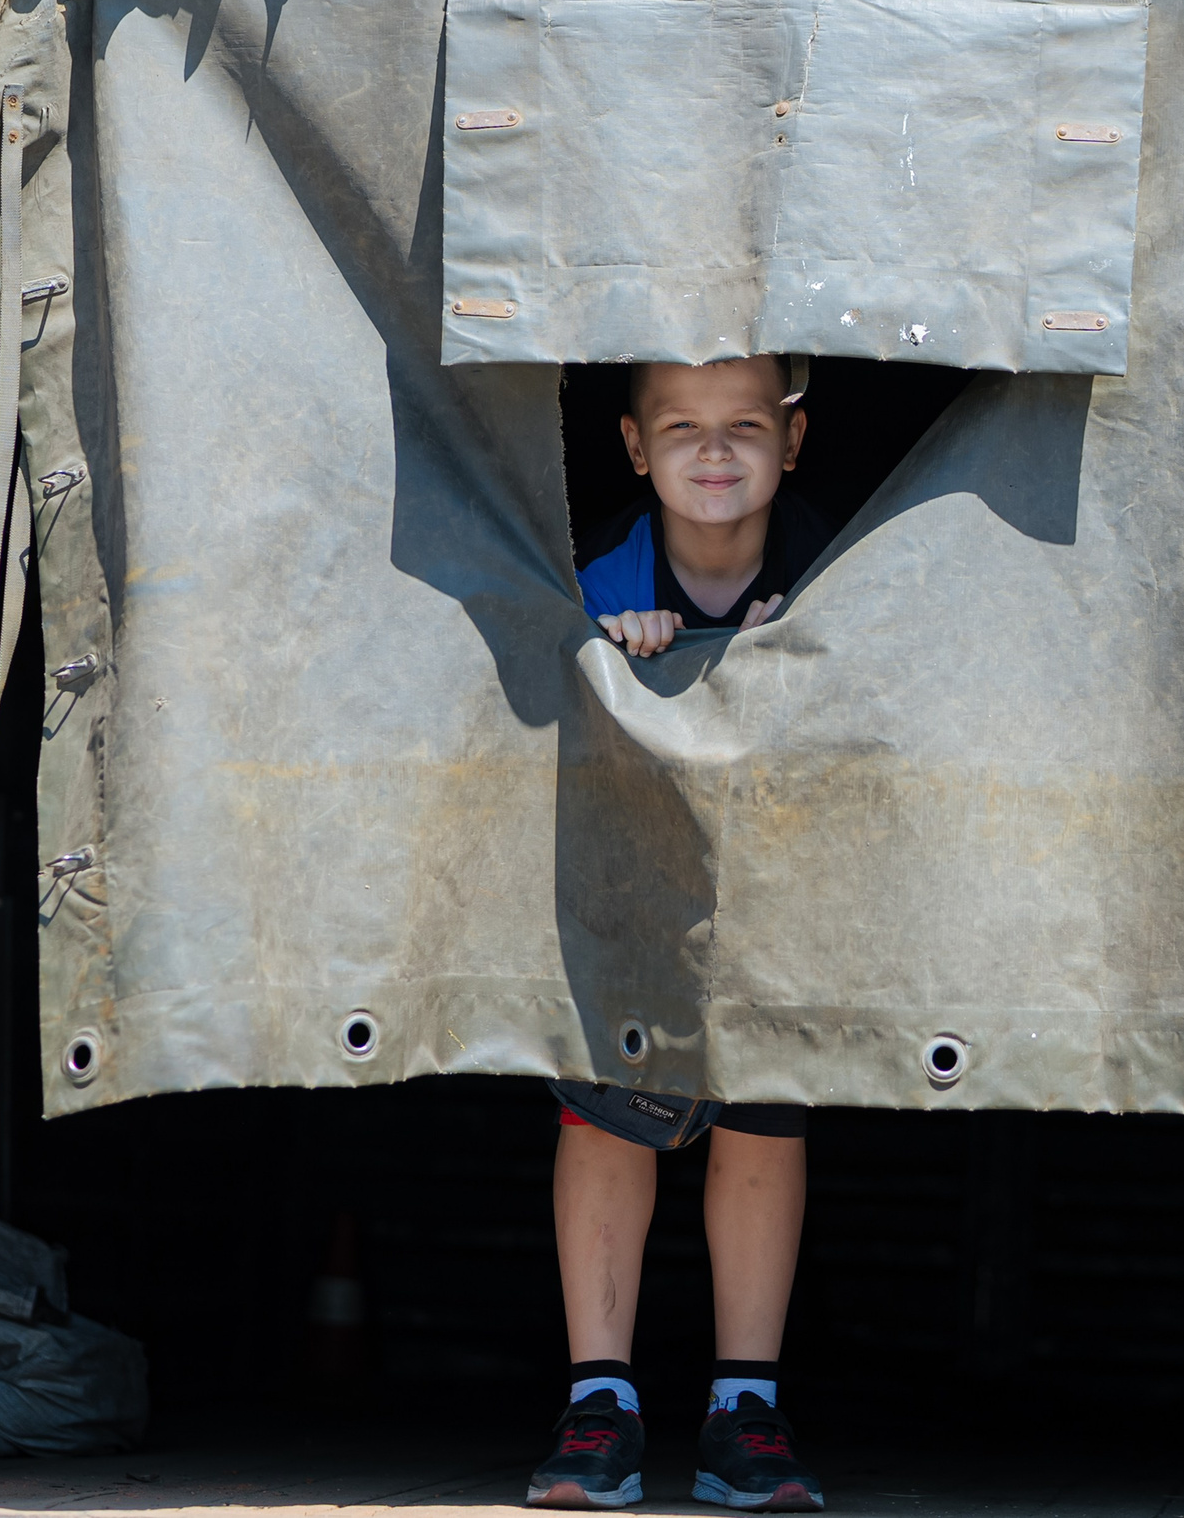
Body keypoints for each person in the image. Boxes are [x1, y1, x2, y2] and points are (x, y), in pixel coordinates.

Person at [525, 355, 830, 1513]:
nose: (713, 453)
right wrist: (606, 644)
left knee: (763, 1110)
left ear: (792, 441)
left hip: (779, 887)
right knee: (607, 1107)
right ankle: (599, 1401)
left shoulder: (836, 566)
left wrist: (803, 642)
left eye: (744, 426)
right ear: (632, 445)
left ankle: (743, 1410)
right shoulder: (599, 568)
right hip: (630, 884)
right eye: (682, 429)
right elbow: (537, 685)